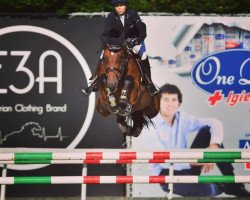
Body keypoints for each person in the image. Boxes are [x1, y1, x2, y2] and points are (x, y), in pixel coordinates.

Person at [139, 83, 250, 197]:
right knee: (209, 189)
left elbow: (215, 123)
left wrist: (213, 149)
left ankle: (232, 182)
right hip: (166, 173)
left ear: (179, 103)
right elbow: (164, 160)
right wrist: (203, 160)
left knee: (208, 131)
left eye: (174, 100)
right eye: (166, 99)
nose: (170, 104)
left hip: (188, 166)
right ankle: (225, 186)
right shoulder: (150, 126)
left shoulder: (182, 117)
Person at [81, 0, 159, 96]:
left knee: (143, 55)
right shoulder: (111, 16)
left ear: (126, 5)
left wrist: (136, 40)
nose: (119, 8)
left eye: (121, 5)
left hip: (134, 39)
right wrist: (108, 43)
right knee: (103, 56)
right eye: (116, 6)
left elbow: (142, 29)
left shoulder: (132, 13)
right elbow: (106, 32)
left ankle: (149, 83)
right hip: (118, 41)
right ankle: (94, 84)